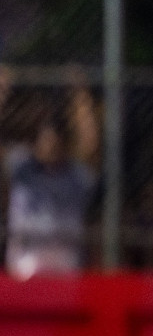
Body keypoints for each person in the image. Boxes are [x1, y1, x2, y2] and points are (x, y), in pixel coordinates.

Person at [1, 70, 100, 278]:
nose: (51, 146)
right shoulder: (22, 168)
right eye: (45, 140)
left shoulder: (75, 175)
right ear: (35, 143)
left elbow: (90, 145)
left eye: (56, 141)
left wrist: (80, 98)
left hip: (65, 268)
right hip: (24, 267)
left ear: (64, 144)